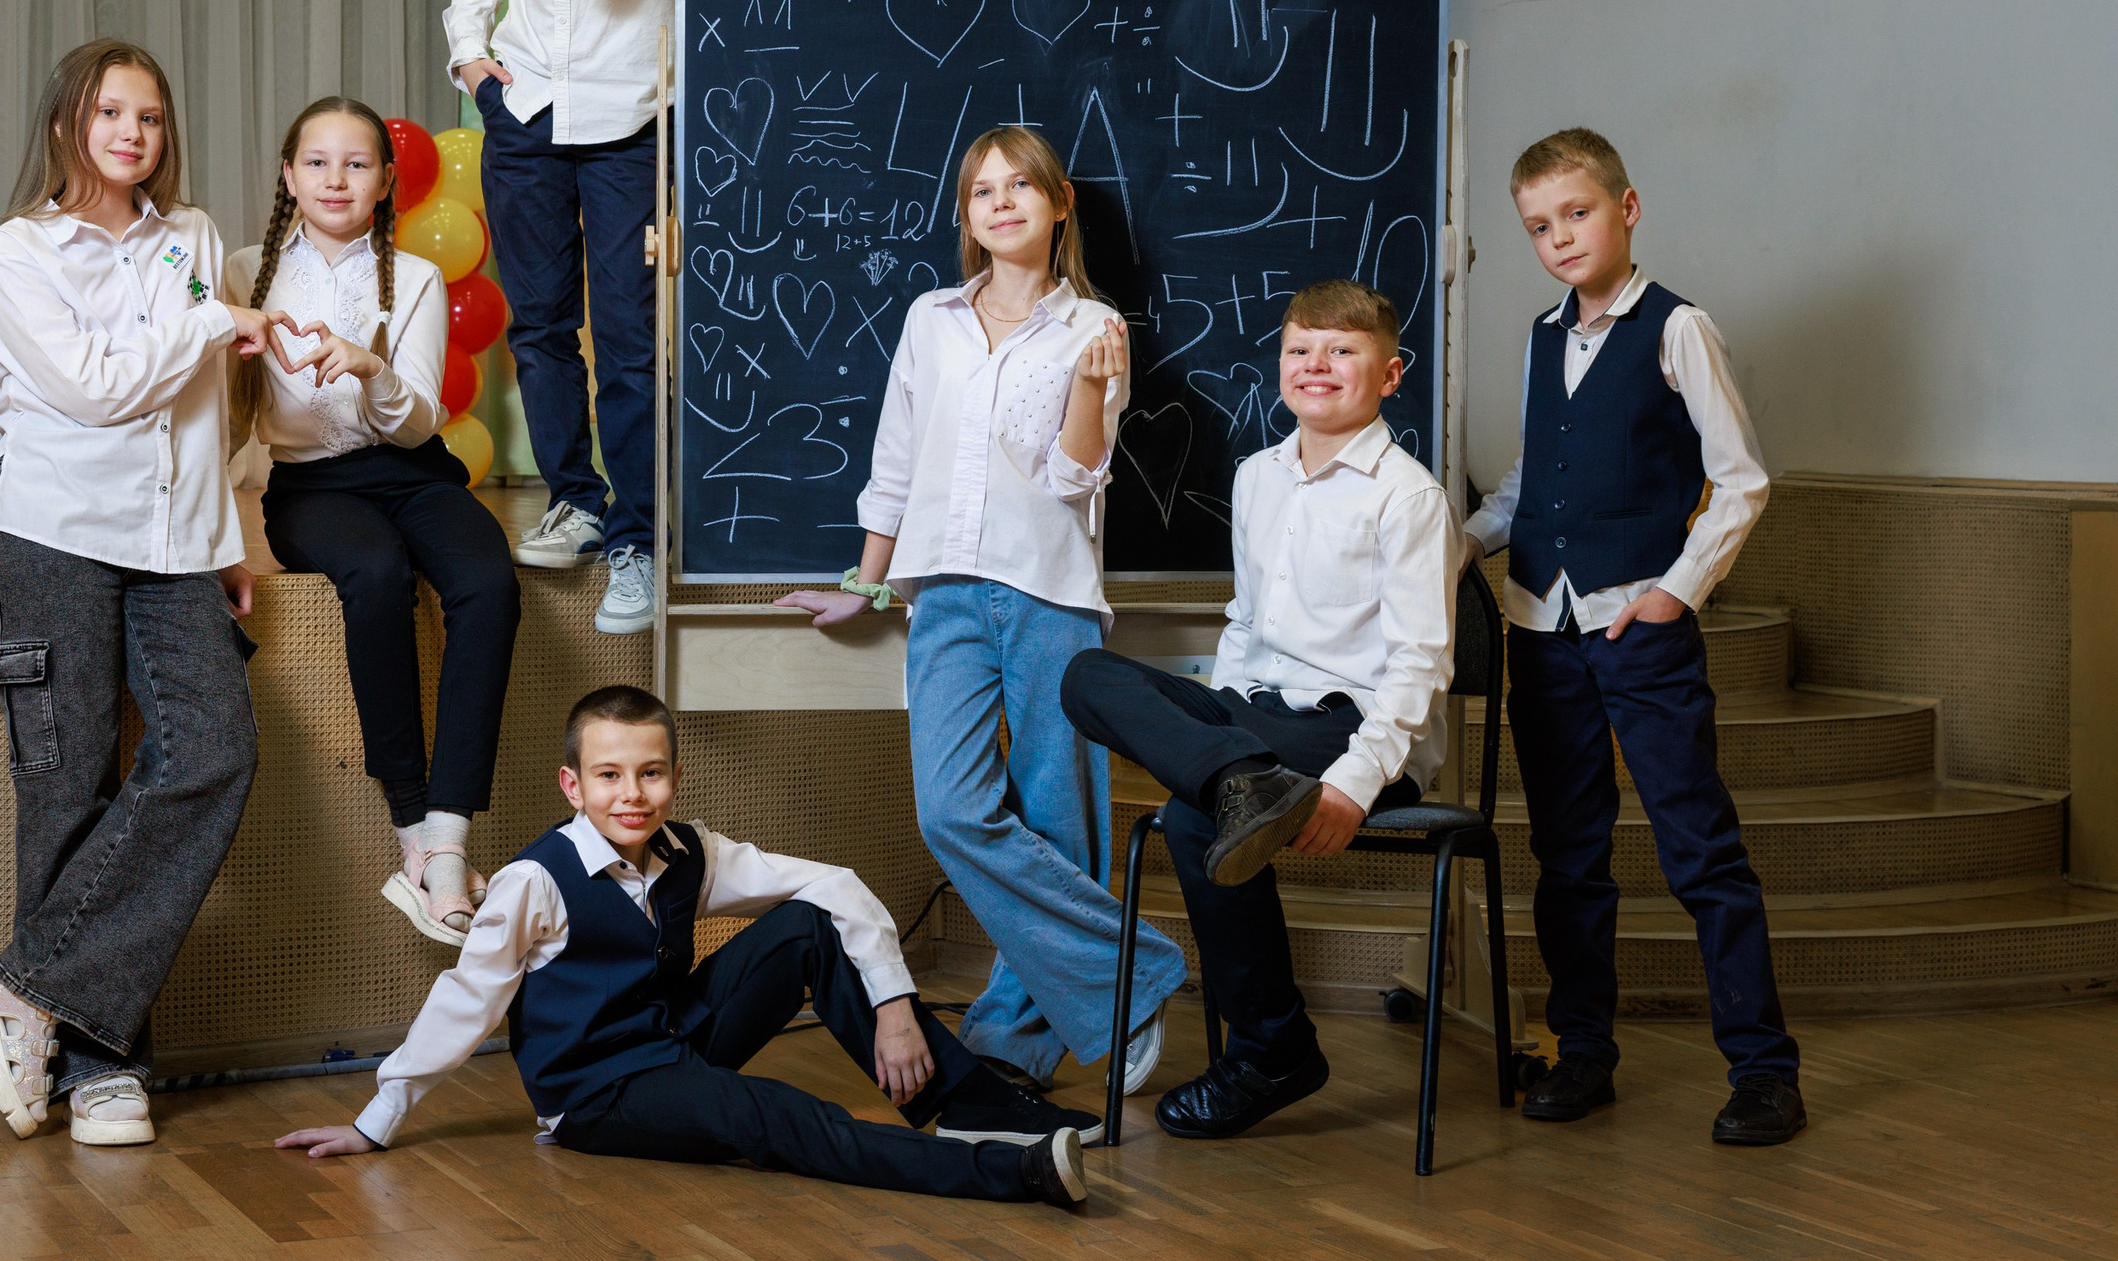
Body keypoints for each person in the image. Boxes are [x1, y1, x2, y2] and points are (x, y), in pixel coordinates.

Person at [271, 685, 1093, 1208]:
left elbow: (834, 883)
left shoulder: (689, 850)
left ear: (673, 774)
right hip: (600, 1092)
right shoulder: (536, 882)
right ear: (574, 785)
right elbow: (463, 1005)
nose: (633, 795)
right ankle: (1007, 1174)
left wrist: (895, 1007)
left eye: (652, 773)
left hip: (676, 1041)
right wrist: (377, 1121)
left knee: (806, 925)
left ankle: (965, 1107)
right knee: (774, 1115)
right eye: (609, 776)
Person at [779, 126, 1184, 1109]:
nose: (1000, 202)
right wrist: (868, 583)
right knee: (954, 810)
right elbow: (896, 457)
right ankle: (1129, 977)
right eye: (979, 191)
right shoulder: (931, 318)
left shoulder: (1093, 326)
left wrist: (1090, 388)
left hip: (1049, 592)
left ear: (1058, 204)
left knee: (1058, 818)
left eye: (1020, 186)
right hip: (941, 593)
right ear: (965, 216)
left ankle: (1013, 1031)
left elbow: (1077, 477)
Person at [0, 40, 281, 1146]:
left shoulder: (189, 238)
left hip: (178, 538)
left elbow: (202, 413)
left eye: (150, 117)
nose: (133, 133)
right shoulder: (19, 252)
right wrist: (208, 321)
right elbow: (93, 393)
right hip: (51, 532)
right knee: (69, 778)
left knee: (215, 745)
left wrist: (226, 533)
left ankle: (29, 983)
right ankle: (100, 1066)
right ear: (66, 126)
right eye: (110, 113)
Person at [1461, 127, 1802, 1145]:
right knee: (1567, 856)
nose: (1559, 238)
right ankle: (1583, 1053)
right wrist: (1455, 544)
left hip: (1637, 628)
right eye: (1537, 226)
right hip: (1539, 624)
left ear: (1625, 208)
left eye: (1576, 213)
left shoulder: (1676, 327)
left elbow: (1741, 476)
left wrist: (1675, 592)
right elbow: (1531, 479)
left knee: (1700, 850)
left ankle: (1763, 1071)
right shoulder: (1537, 332)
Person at [1061, 279, 1454, 1138]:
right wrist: (1221, 725)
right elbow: (1245, 622)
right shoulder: (1256, 477)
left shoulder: (1408, 495)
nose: (1317, 366)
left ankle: (1271, 1048)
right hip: (1260, 725)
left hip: (1350, 729)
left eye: (1342, 351)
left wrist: (1352, 783)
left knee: (1195, 814)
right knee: (1087, 676)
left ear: (1389, 376)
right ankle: (1244, 779)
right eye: (1300, 350)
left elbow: (1421, 664)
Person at [447, 0, 759, 634]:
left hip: (632, 115)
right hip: (526, 106)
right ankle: (575, 499)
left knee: (625, 334)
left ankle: (633, 538)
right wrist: (468, 56)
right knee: (538, 325)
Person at [223, 97, 522, 944]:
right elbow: (223, 411)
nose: (336, 179)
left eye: (357, 164)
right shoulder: (245, 272)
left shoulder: (416, 275)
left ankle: (450, 838)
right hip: (311, 487)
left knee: (488, 583)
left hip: (411, 471)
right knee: (378, 574)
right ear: (288, 175)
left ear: (387, 181)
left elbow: (420, 420)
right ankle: (410, 828)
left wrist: (370, 369)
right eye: (316, 162)